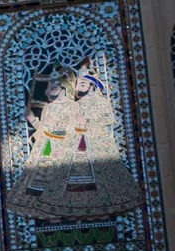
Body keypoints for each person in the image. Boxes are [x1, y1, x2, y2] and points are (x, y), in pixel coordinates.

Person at [8, 67, 144, 219]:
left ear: (64, 88)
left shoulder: (74, 107)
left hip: (76, 147)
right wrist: (33, 119)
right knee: (40, 181)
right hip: (46, 148)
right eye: (50, 87)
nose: (51, 90)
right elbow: (44, 131)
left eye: (55, 86)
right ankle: (42, 211)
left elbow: (75, 129)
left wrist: (68, 134)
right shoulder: (48, 108)